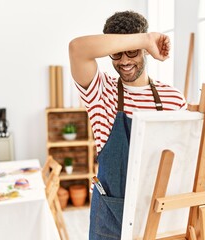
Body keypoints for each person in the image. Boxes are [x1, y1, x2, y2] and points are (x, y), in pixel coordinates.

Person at [69, 10, 186, 240]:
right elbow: (76, 49)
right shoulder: (101, 92)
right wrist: (143, 39)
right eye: (117, 53)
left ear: (146, 51)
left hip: (160, 215)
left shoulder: (173, 98)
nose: (124, 61)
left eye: (132, 52)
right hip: (111, 219)